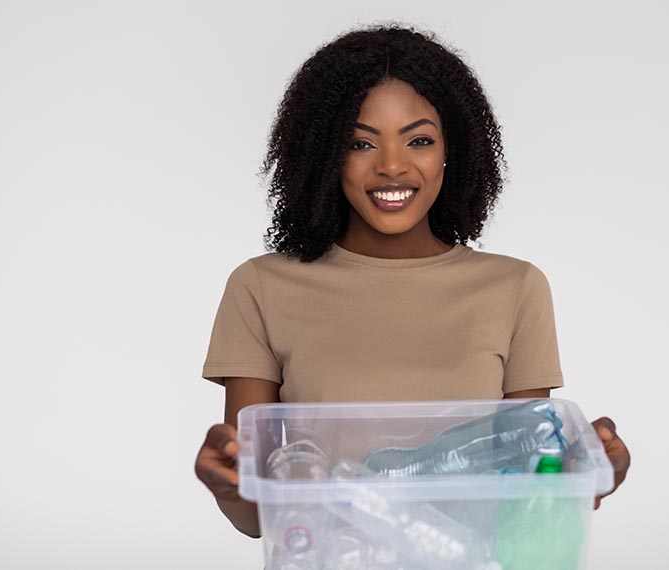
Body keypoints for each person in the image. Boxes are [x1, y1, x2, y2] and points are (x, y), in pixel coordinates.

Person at [194, 23, 630, 540]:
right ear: (326, 154)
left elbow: (527, 491)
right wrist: (228, 486)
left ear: (452, 148)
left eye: (419, 140)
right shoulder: (263, 288)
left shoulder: (514, 289)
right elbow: (259, 516)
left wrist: (584, 479)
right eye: (360, 143)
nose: (392, 166)